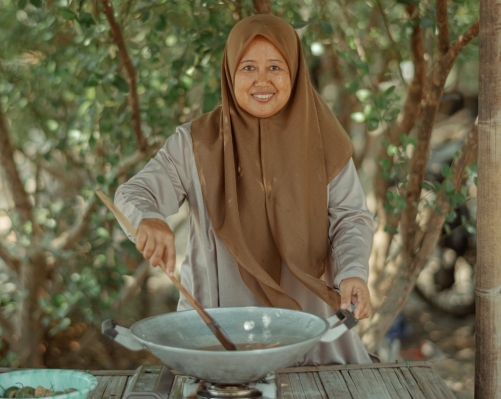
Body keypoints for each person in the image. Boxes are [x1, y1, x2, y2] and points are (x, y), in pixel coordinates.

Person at [114, 14, 375, 365]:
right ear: (229, 73)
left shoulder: (324, 141)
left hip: (313, 337)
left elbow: (350, 217)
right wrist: (148, 219)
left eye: (276, 68)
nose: (262, 81)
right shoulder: (195, 143)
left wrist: (353, 272)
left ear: (295, 72)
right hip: (217, 341)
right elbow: (133, 194)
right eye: (248, 67)